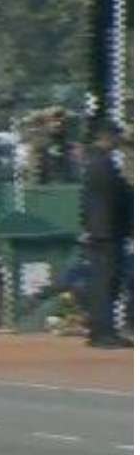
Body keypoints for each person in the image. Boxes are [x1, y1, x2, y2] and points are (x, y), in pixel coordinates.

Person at [79, 122, 133, 349]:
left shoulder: (95, 162)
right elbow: (115, 198)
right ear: (107, 137)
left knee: (102, 282)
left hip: (101, 231)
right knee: (105, 283)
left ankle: (98, 330)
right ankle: (103, 333)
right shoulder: (102, 164)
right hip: (107, 232)